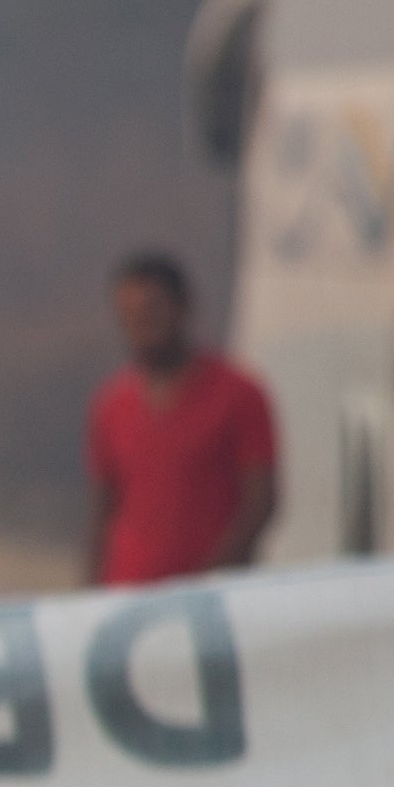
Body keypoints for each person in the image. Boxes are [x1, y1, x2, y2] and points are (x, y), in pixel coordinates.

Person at [87, 249, 279, 586]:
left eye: (151, 312)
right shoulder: (111, 405)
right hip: (128, 594)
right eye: (129, 316)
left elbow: (261, 503)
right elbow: (103, 509)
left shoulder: (239, 395)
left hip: (208, 601)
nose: (140, 328)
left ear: (182, 309)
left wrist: (208, 580)